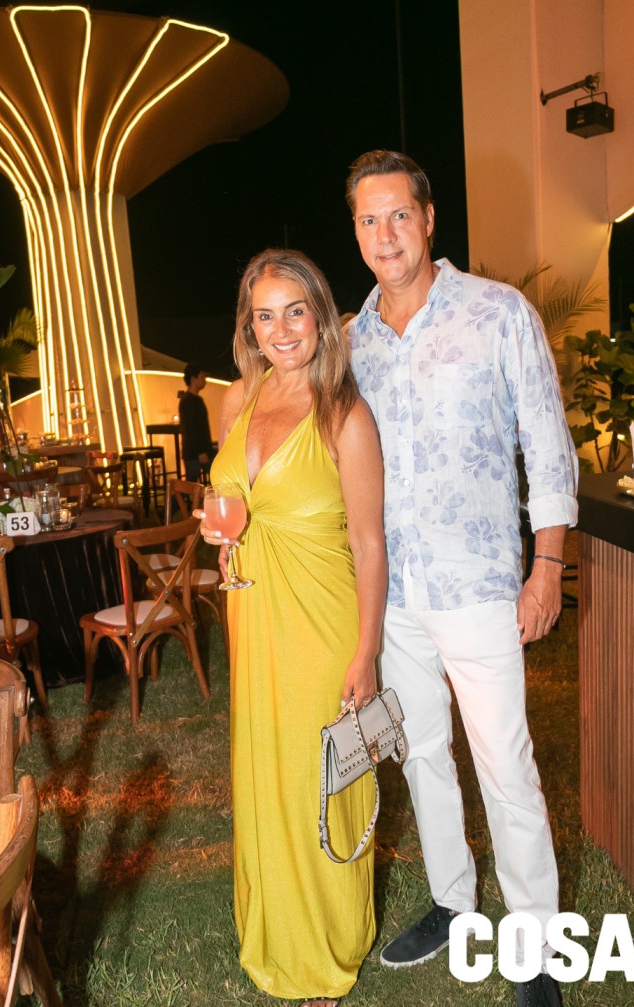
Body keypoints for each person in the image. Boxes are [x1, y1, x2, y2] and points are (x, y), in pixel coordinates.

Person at [345, 150, 578, 1007]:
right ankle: (453, 901)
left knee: (505, 767)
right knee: (421, 755)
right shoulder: (351, 342)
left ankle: (535, 946)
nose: (386, 235)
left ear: (429, 218)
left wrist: (546, 565)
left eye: (399, 215)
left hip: (481, 584)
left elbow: (546, 444)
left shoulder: (498, 312)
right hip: (396, 595)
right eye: (369, 220)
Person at [203, 248, 387, 1007]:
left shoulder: (345, 414)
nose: (280, 330)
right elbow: (228, 500)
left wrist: (366, 653)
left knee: (321, 779)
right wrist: (221, 538)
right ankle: (275, 931)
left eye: (295, 311)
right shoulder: (236, 400)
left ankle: (326, 950)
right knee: (265, 776)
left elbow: (370, 544)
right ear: (248, 326)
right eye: (264, 316)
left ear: (321, 316)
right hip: (253, 615)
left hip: (321, 621)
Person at [179, 363, 213, 481]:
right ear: (194, 379)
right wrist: (201, 452)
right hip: (194, 454)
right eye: (202, 377)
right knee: (193, 484)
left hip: (197, 452)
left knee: (194, 484)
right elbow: (190, 429)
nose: (204, 380)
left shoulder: (195, 400)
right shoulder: (188, 401)